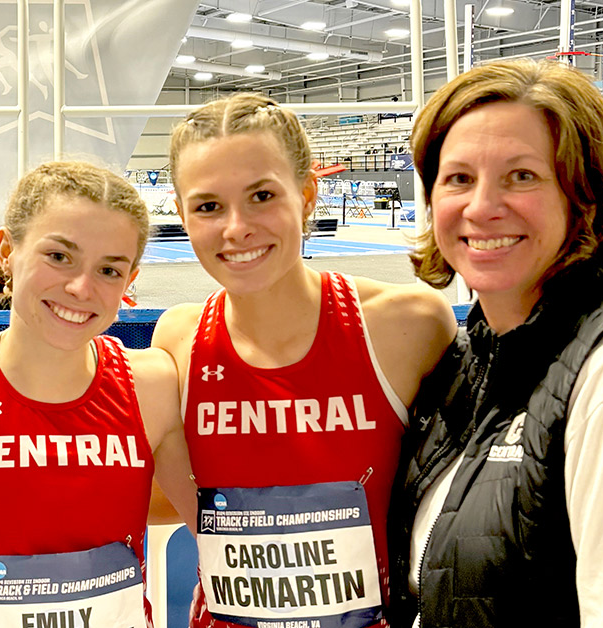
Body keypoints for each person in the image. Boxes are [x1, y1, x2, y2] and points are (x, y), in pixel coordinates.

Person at [387, 59, 603, 628]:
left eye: (522, 175)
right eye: (458, 178)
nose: (480, 207)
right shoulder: (472, 361)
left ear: (584, 192)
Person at [152, 93, 457, 628]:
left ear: (308, 194)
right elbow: (156, 495)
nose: (235, 227)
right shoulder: (177, 342)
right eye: (207, 206)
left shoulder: (405, 325)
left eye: (262, 195)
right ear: (181, 213)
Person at [0, 161, 196, 627]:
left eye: (109, 269)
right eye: (59, 256)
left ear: (130, 281)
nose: (80, 287)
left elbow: (230, 530)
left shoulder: (150, 383)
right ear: (6, 251)